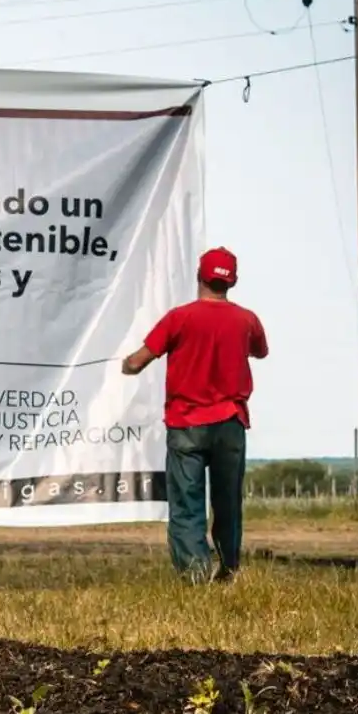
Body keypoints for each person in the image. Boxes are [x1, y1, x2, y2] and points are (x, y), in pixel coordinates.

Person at [120, 247, 268, 584]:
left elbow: (138, 361)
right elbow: (260, 350)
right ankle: (228, 568)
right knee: (227, 500)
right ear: (232, 281)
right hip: (231, 423)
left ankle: (195, 575)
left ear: (199, 276)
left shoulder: (180, 317)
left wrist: (125, 365)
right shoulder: (247, 319)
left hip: (187, 423)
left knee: (187, 503)